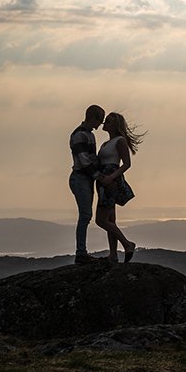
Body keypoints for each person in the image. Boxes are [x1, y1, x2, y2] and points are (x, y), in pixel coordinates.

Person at [95, 110, 144, 263]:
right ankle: (113, 255)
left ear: (115, 125)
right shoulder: (105, 143)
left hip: (111, 180)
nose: (104, 123)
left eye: (108, 121)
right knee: (110, 220)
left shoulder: (119, 141)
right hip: (104, 180)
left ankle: (127, 244)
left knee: (101, 220)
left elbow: (127, 164)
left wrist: (111, 177)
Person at [69, 104, 105, 264]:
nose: (100, 125)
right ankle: (81, 254)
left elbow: (90, 158)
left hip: (86, 178)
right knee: (85, 215)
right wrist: (98, 176)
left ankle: (81, 252)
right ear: (93, 118)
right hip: (81, 177)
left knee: (86, 215)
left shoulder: (89, 135)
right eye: (100, 120)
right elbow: (83, 160)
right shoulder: (79, 135)